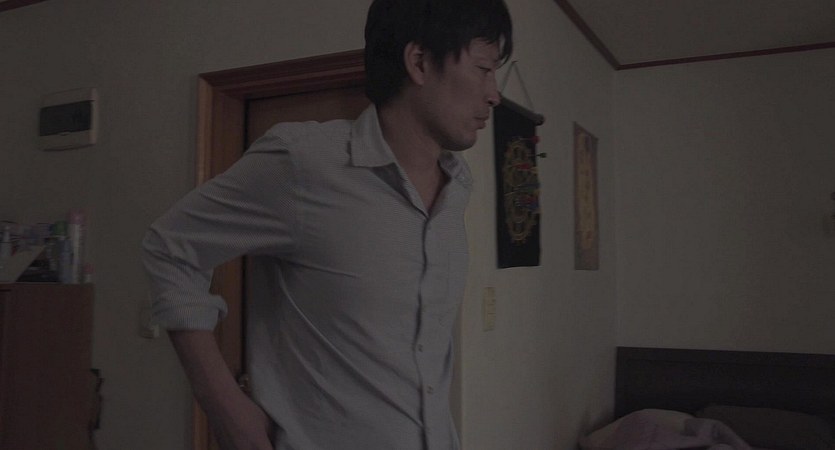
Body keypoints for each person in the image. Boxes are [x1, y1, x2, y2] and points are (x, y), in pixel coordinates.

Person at [142, 0, 513, 448]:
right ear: (419, 62)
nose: (494, 94)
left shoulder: (458, 186)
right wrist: (224, 407)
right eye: (483, 69)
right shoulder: (305, 162)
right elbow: (171, 247)